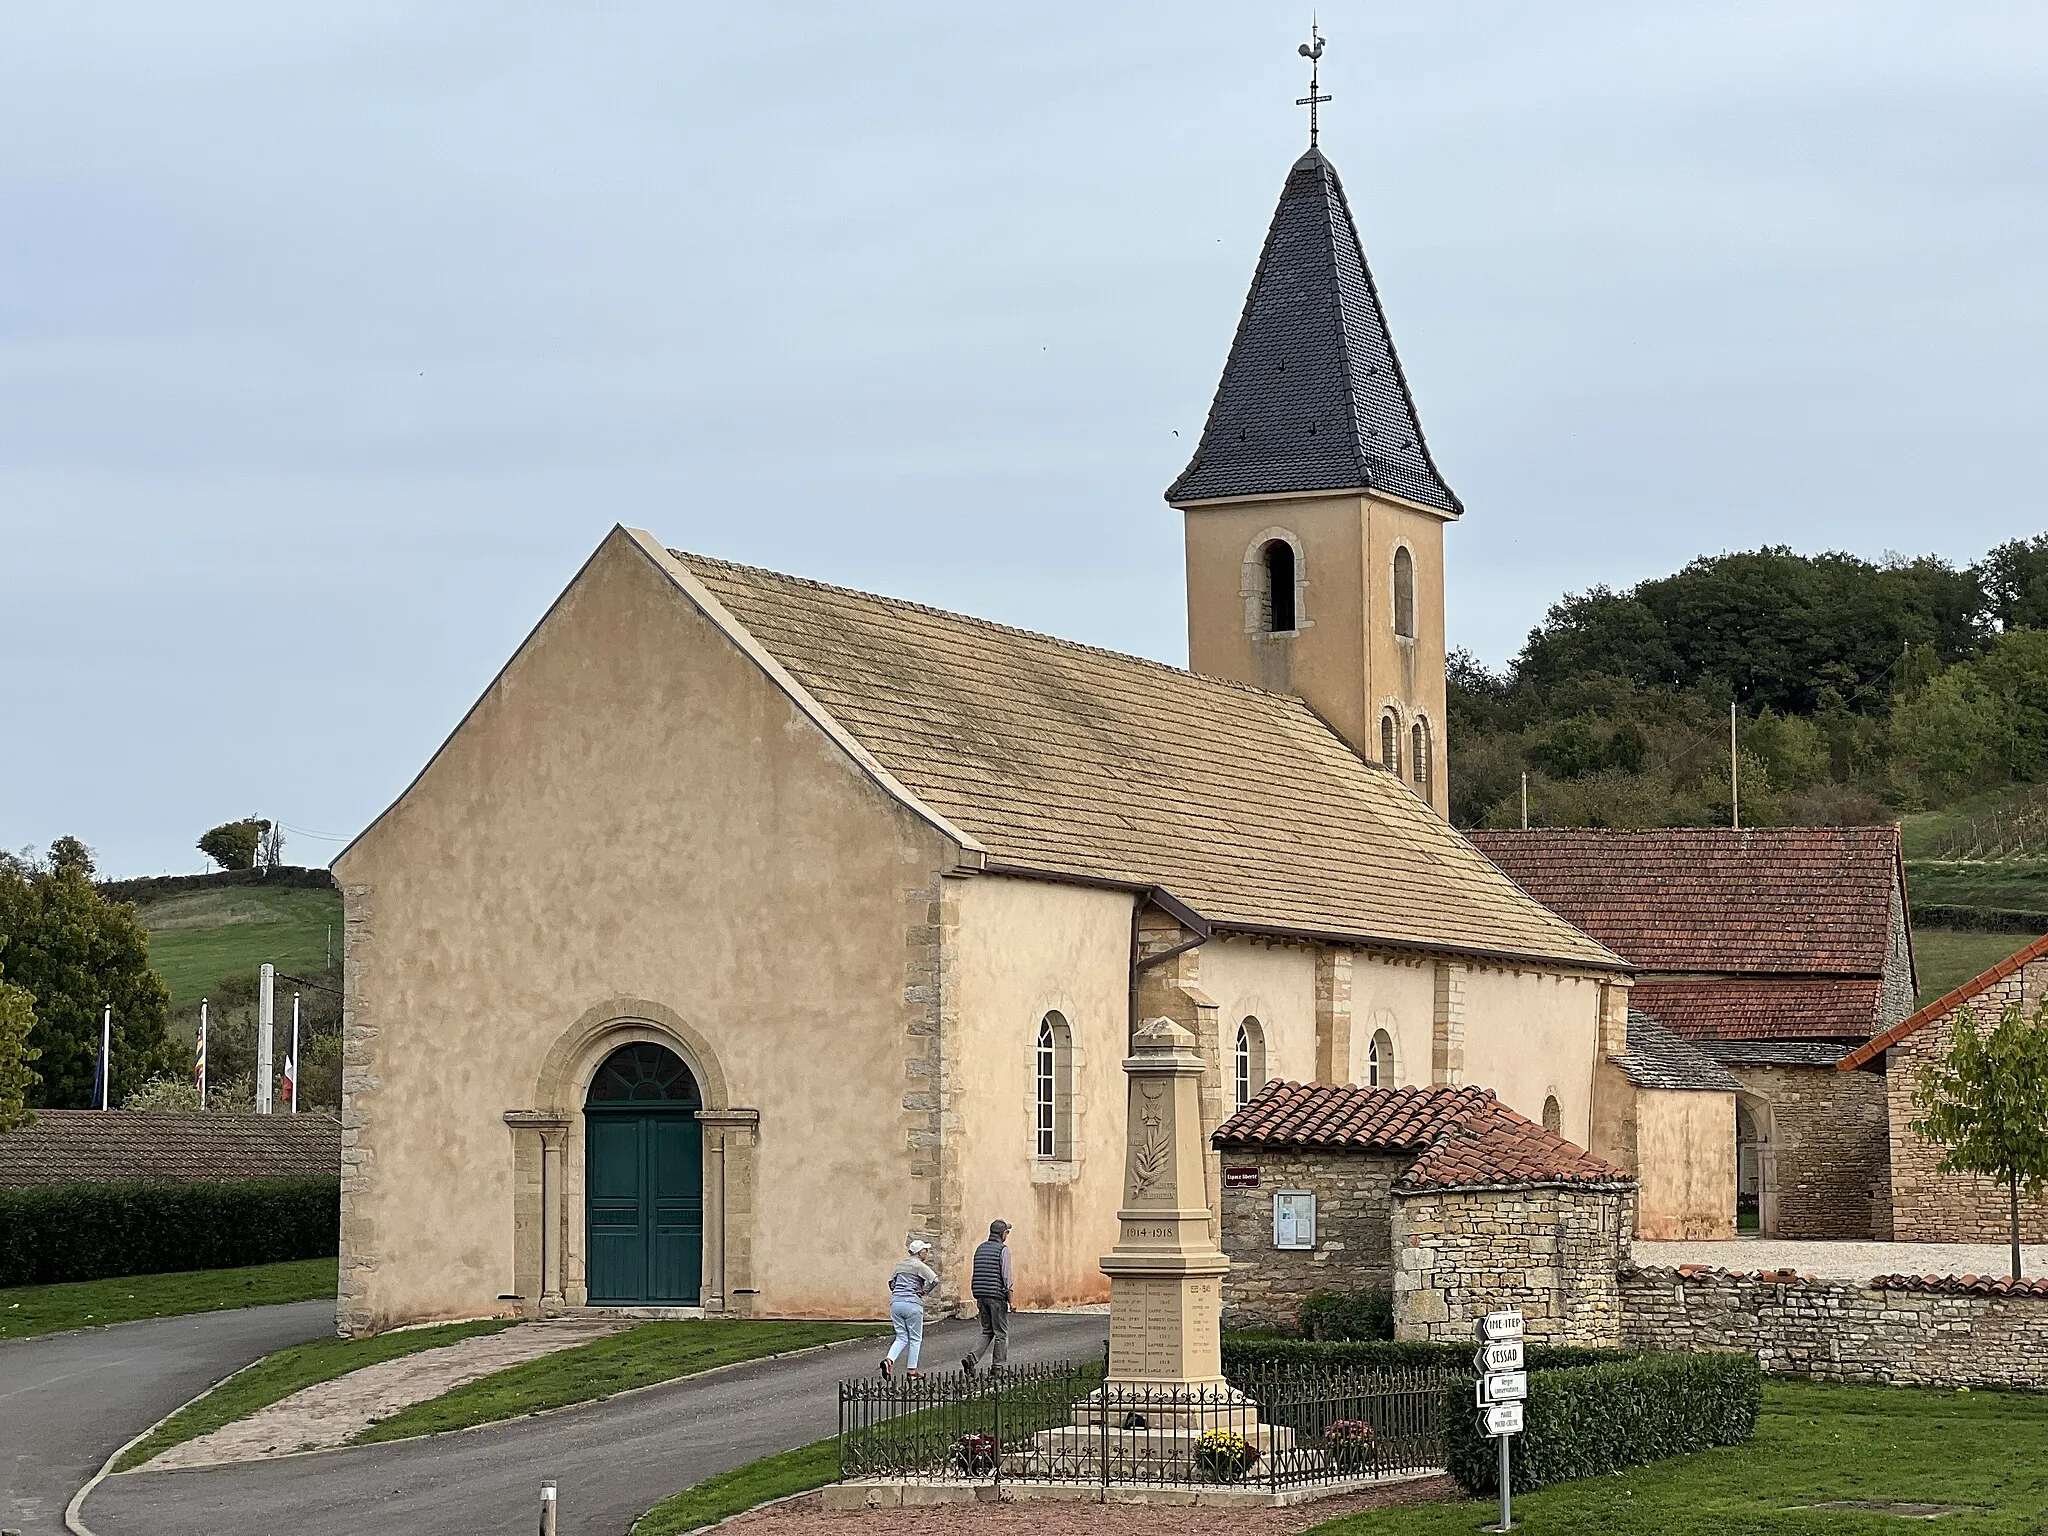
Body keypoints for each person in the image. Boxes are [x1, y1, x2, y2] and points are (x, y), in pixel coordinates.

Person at [881, 1238, 939, 1380]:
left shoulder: (900, 1264)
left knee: (901, 1336)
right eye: (926, 1250)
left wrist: (897, 1292)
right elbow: (935, 1280)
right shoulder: (919, 1266)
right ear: (921, 1252)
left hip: (896, 1303)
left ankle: (889, 1360)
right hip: (912, 1303)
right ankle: (912, 1371)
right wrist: (924, 1291)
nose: (927, 1253)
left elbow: (891, 1282)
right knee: (915, 1338)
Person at [961, 1219, 1012, 1375]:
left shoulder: (980, 1248)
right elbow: (1006, 1276)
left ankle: (972, 1358)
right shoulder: (1003, 1250)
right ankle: (998, 1367)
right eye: (1007, 1232)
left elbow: (975, 1273)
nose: (1007, 1235)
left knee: (987, 1330)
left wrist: (976, 1293)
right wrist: (1011, 1299)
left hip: (980, 1294)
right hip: (996, 1295)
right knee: (1001, 1332)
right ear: (1002, 1233)